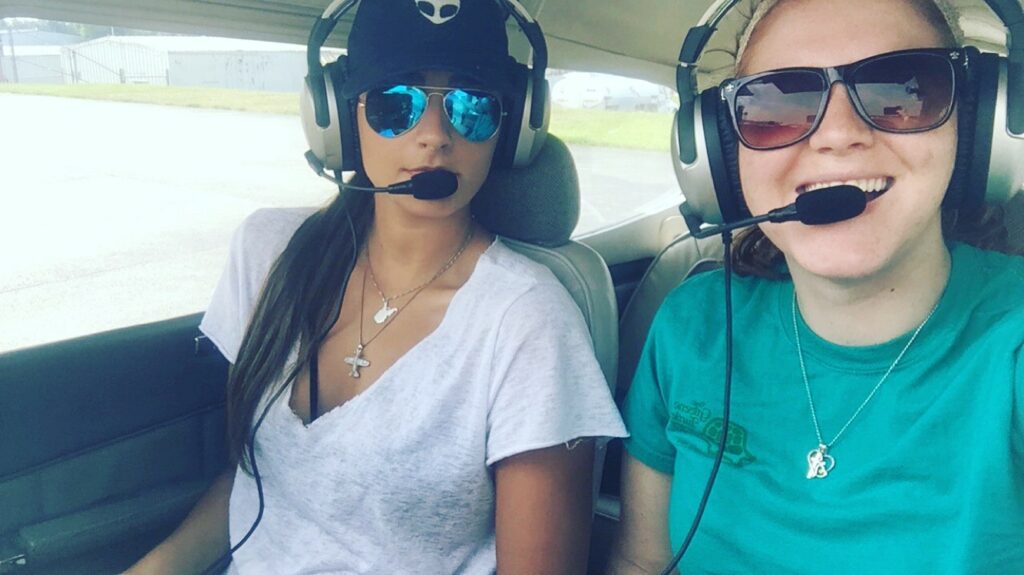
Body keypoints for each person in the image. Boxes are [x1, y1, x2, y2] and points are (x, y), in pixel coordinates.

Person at [125, 1, 626, 573]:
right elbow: (260, 484)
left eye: (472, 107)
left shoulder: (528, 321)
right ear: (338, 115)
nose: (434, 136)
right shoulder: (270, 253)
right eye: (396, 103)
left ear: (512, 129)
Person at [609, 0, 1024, 573]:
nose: (837, 137)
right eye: (775, 105)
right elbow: (642, 564)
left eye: (899, 92)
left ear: (977, 127)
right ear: (719, 157)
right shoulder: (694, 328)